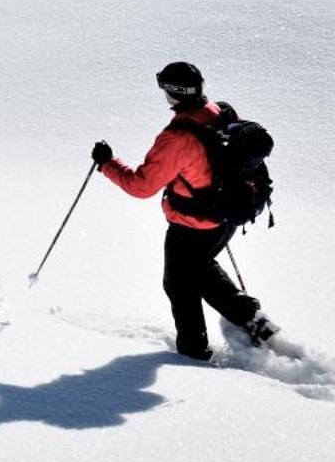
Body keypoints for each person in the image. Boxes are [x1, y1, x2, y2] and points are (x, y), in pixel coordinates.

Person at [91, 61, 280, 361]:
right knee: (200, 270)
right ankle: (253, 321)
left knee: (179, 285)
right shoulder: (221, 113)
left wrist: (107, 164)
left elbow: (141, 186)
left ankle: (193, 352)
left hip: (191, 227)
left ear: (172, 92)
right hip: (224, 219)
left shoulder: (177, 138)